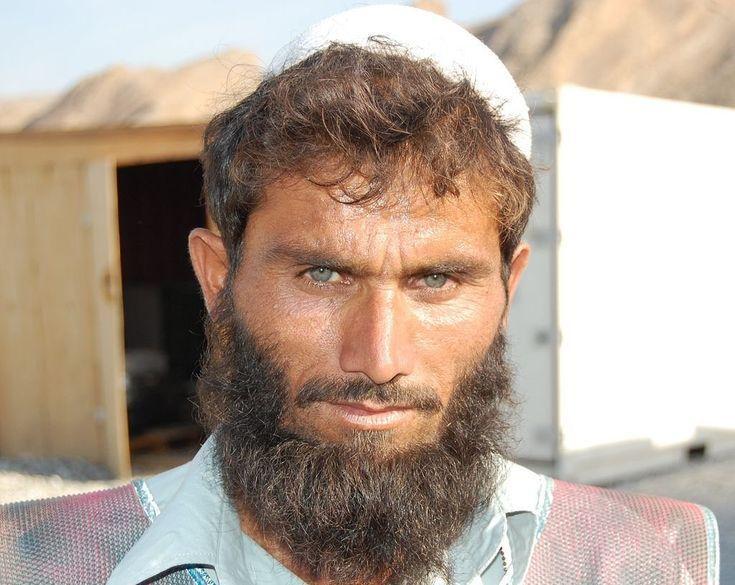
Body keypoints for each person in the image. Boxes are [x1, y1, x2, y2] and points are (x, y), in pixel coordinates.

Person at [0, 5, 719, 585]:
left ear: (508, 292)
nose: (378, 357)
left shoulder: (644, 559)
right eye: (323, 275)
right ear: (218, 279)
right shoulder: (40, 563)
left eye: (435, 280)